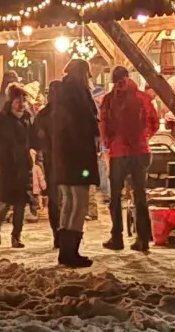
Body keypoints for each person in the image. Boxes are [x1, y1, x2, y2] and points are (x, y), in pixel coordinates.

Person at [99, 66, 158, 251]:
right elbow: (154, 122)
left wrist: (110, 143)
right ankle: (143, 238)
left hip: (118, 153)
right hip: (140, 151)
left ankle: (117, 237)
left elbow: (103, 125)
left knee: (116, 196)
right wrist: (144, 137)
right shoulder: (143, 98)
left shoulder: (108, 99)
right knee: (140, 194)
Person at [51, 58, 99, 267]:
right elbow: (84, 125)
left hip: (62, 157)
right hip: (79, 157)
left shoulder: (59, 94)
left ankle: (65, 251)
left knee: (68, 203)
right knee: (80, 203)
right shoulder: (79, 95)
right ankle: (72, 252)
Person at [0, 84, 35, 249]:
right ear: (11, 101)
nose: (21, 103)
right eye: (18, 100)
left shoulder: (28, 118)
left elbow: (32, 139)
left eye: (24, 100)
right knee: (5, 202)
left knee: (21, 203)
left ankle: (16, 236)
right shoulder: (1, 118)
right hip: (5, 164)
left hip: (22, 165)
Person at [32, 80, 64, 248]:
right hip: (66, 160)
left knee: (54, 199)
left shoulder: (43, 115)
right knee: (68, 198)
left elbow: (35, 140)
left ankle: (57, 234)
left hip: (50, 162)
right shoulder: (68, 113)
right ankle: (66, 233)